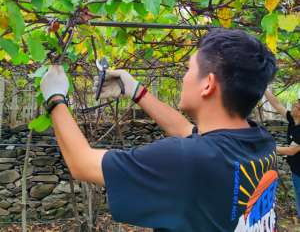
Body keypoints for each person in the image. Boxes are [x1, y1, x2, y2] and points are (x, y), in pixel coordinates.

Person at [40, 29, 278, 232]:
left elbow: (82, 163)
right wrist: (136, 91)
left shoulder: (185, 159)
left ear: (208, 84)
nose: (183, 78)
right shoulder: (261, 142)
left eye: (188, 70)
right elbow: (186, 129)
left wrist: (55, 97)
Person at [264, 89, 300, 218]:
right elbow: (277, 104)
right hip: (296, 170)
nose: (293, 106)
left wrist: (267, 147)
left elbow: (291, 150)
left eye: (296, 106)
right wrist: (265, 89)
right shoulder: (292, 119)